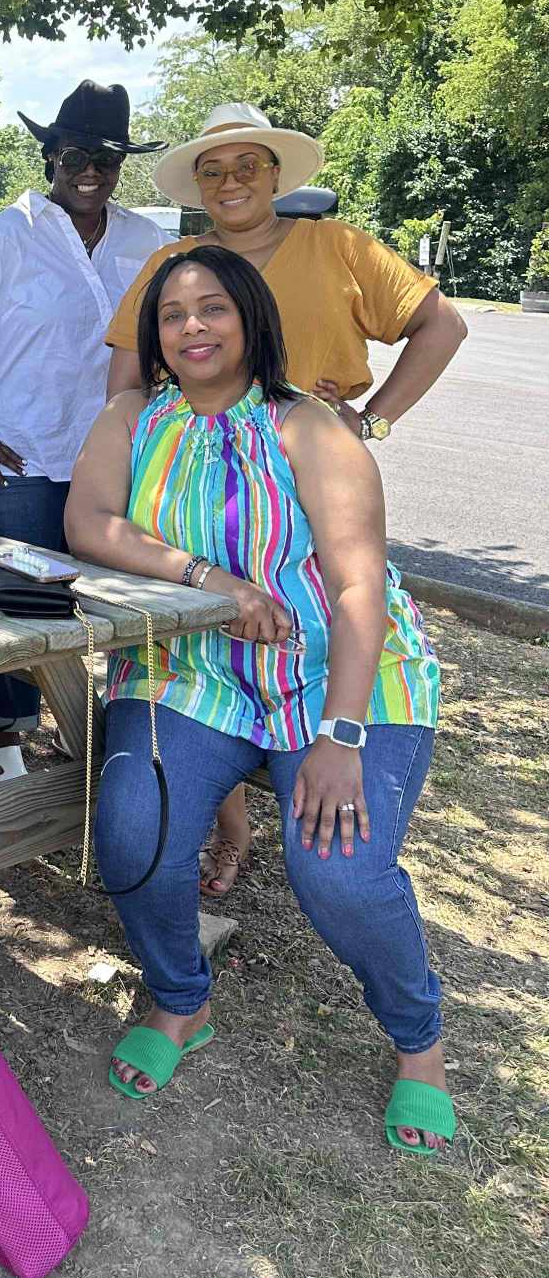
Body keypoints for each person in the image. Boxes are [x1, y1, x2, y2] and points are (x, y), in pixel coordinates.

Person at [67, 245, 451, 1157]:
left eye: (213, 308)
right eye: (172, 315)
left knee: (337, 873)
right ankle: (180, 1000)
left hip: (340, 679)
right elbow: (88, 523)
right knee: (133, 832)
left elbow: (358, 586)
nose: (191, 327)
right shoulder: (132, 418)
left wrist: (341, 735)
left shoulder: (308, 427)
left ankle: (420, 1041)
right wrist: (207, 580)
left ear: (251, 319)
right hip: (190, 672)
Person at [104, 101, 467, 892]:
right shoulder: (174, 264)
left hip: (307, 484)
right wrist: (138, 457)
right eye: (213, 169)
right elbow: (127, 381)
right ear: (197, 184)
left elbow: (442, 325)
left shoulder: (338, 247)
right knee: (205, 656)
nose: (231, 181)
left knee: (319, 619)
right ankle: (227, 828)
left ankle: (329, 769)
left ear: (276, 174)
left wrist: (371, 422)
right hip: (197, 486)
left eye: (248, 165)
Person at [0, 82, 166, 781]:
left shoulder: (146, 240)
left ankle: (118, 728)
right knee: (23, 600)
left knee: (123, 597)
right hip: (17, 455)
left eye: (107, 159)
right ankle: (8, 744)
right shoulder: (4, 237)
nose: (91, 171)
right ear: (50, 157)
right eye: (76, 155)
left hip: (116, 455)